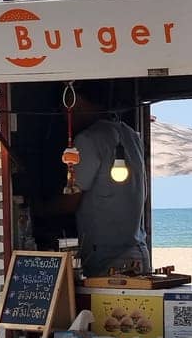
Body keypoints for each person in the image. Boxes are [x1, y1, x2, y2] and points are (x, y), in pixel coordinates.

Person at [54, 84, 149, 275]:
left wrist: (37, 209)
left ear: (76, 102)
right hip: (139, 252)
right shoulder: (131, 135)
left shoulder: (88, 139)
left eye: (62, 107)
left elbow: (70, 201)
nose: (63, 115)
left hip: (109, 260)